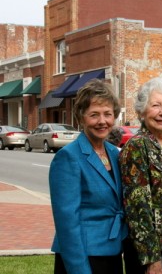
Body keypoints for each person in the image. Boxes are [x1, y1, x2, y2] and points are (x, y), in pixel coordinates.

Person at [49, 79, 128, 274]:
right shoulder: (68, 157)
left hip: (112, 253)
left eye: (108, 114)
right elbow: (67, 223)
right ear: (81, 118)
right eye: (94, 115)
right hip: (83, 257)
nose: (102, 121)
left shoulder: (115, 153)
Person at [120, 77, 162, 274]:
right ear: (142, 110)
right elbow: (137, 208)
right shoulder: (137, 146)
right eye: (156, 105)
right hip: (153, 251)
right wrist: (152, 260)